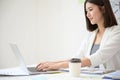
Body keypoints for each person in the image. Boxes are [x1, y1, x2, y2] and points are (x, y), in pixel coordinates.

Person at [36, 0, 120, 71]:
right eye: (86, 11)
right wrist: (52, 63)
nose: (87, 15)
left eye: (90, 10)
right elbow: (77, 58)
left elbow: (99, 57)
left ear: (103, 9)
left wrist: (58, 66)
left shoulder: (117, 32)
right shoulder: (91, 35)